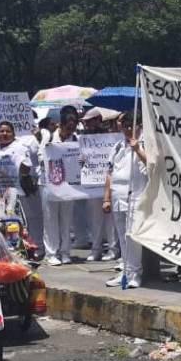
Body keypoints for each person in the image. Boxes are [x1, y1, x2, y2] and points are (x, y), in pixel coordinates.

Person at [102, 112, 147, 289]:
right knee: (122, 235)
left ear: (139, 126)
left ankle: (135, 272)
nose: (128, 129)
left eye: (132, 125)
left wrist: (137, 149)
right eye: (125, 125)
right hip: (117, 195)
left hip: (136, 194)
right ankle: (125, 271)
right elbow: (109, 173)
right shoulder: (118, 146)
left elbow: (152, 165)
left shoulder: (144, 143)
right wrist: (106, 198)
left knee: (132, 236)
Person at [0, 121, 44, 255]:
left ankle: (37, 248)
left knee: (29, 220)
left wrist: (20, 163)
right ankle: (10, 250)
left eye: (8, 131)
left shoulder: (20, 147)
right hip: (0, 193)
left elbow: (26, 169)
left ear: (13, 134)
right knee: (5, 223)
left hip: (19, 191)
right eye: (1, 131)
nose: (4, 134)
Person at [42, 107, 79, 266]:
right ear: (60, 125)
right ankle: (51, 253)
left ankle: (65, 252)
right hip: (50, 184)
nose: (70, 130)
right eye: (67, 127)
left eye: (73, 127)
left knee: (66, 220)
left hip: (68, 185)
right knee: (51, 220)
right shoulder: (49, 137)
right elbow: (40, 156)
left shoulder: (76, 138)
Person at [81, 108, 119, 262]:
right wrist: (81, 161)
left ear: (98, 120)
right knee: (95, 219)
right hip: (92, 182)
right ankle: (95, 249)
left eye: (89, 121)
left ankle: (113, 249)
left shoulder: (111, 136)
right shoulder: (83, 137)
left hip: (107, 182)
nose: (87, 124)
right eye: (85, 122)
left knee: (110, 219)